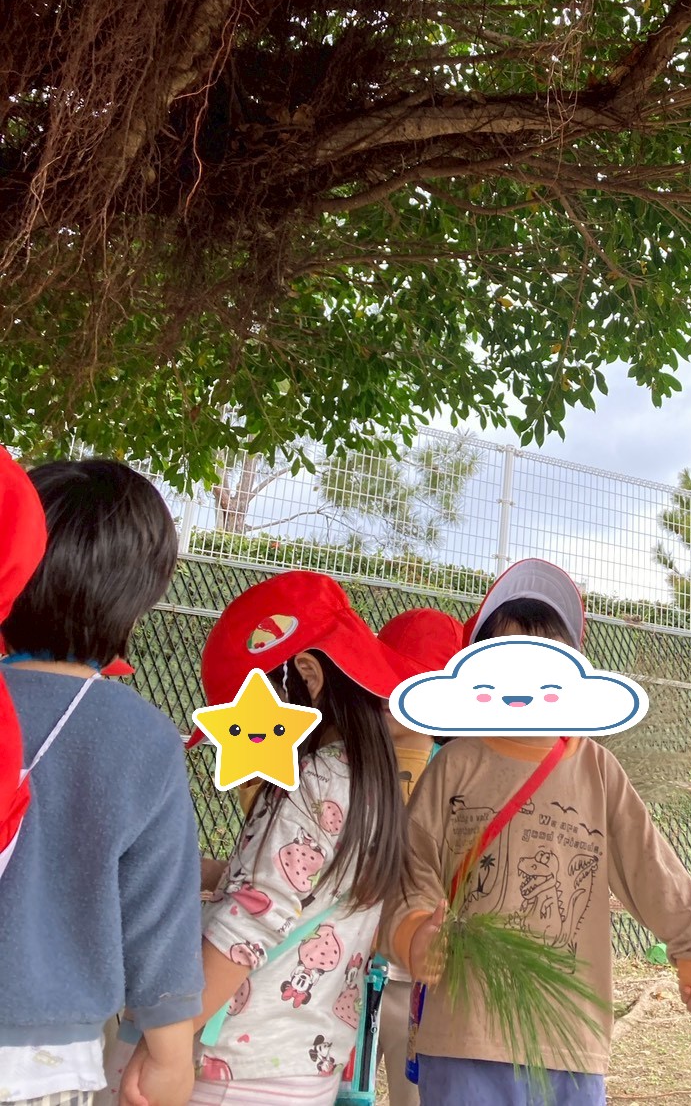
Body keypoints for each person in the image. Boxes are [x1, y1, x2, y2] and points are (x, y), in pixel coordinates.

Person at [381, 558, 691, 1106]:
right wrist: (414, 931)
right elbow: (411, 867)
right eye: (508, 658)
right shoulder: (456, 764)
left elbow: (650, 867)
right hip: (463, 1030)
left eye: (546, 660)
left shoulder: (597, 769)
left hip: (568, 1036)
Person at [108, 570, 413, 1106]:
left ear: (307, 676)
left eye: (248, 716)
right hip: (305, 1060)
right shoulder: (368, 783)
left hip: (235, 1064)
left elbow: (252, 917)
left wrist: (168, 1042)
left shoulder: (311, 780)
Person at [0, 458, 204, 1106]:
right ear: (136, 604)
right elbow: (159, 923)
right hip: (47, 1064)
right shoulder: (143, 739)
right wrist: (170, 1056)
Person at [370, 606, 465, 1106]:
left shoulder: (458, 774)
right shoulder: (349, 764)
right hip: (348, 964)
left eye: (407, 683)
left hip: (422, 979)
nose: (388, 696)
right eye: (382, 676)